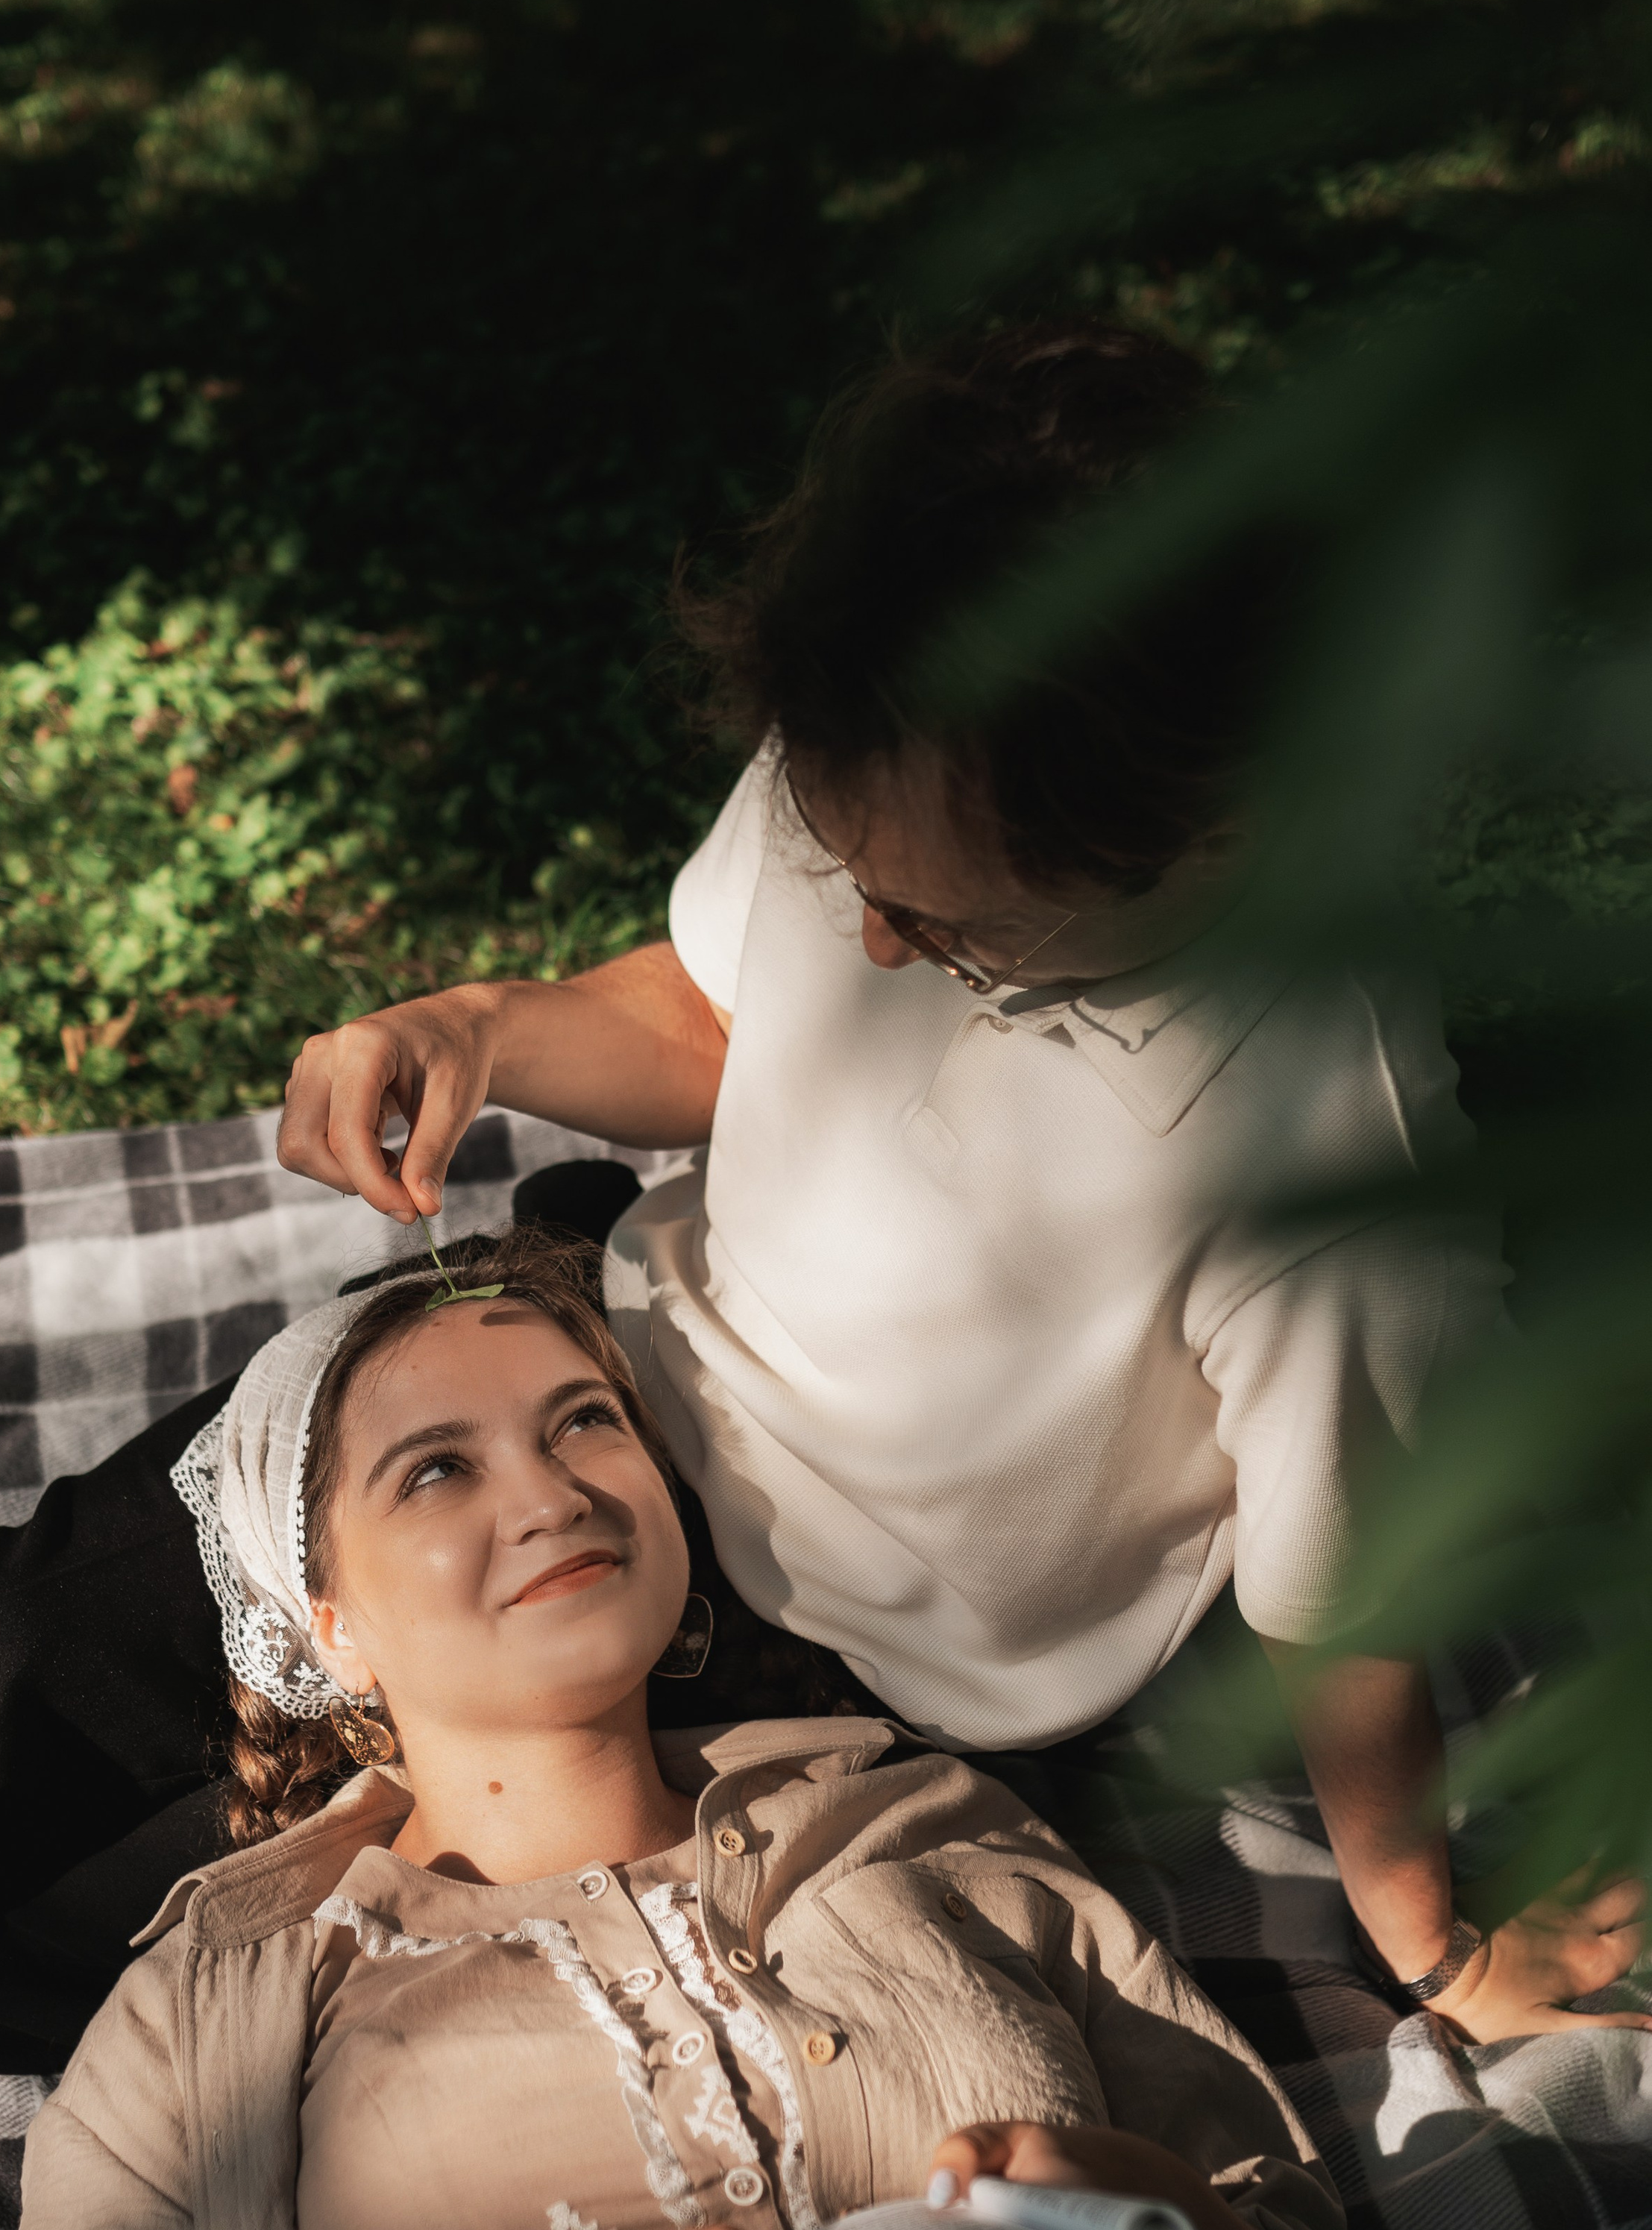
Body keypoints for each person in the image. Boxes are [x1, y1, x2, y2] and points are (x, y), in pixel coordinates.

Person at [274, 317, 1645, 2046]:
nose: (865, 935)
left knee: (249, 1867)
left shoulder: (1325, 1158)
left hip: (812, 1652)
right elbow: (718, 1014)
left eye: (946, 927)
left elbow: (1343, 1604)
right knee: (22, 1639)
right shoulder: (892, 724)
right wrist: (473, 1026)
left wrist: (1427, 1944)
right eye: (842, 862)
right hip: (613, 1351)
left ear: (1208, 829)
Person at [0, 1228, 1428, 2230]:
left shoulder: (933, 1825)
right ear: (326, 1620)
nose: (551, 1497)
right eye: (435, 1470)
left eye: (585, 1423)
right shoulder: (204, 2018)